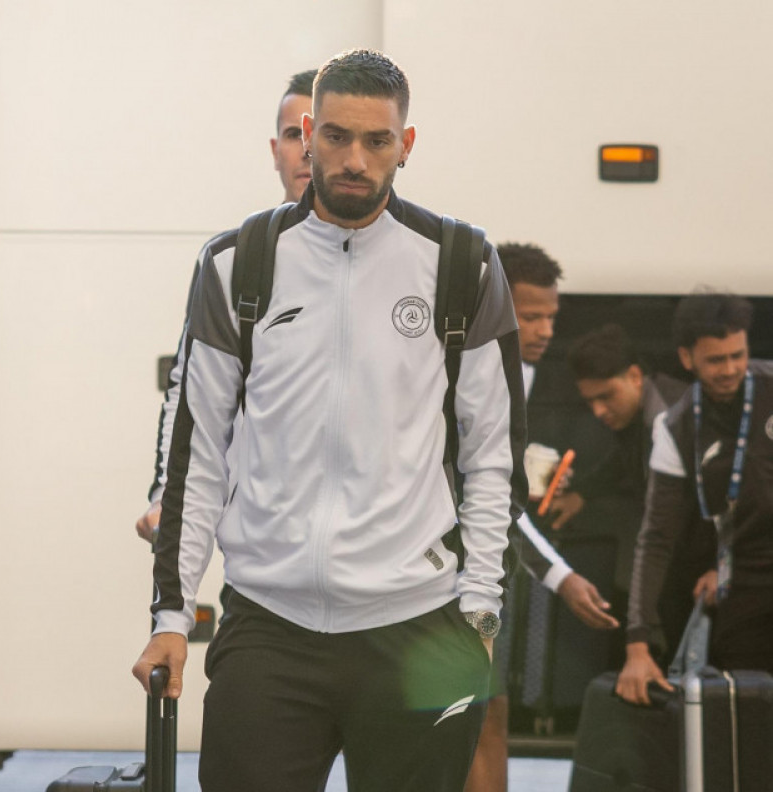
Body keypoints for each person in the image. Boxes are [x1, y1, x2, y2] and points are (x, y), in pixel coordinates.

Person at [131, 50, 526, 791]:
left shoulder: (460, 264)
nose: (354, 159)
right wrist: (171, 617)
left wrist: (479, 611)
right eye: (337, 136)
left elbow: (493, 455)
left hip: (420, 628)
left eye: (377, 141)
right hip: (269, 626)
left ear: (406, 145)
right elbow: (197, 455)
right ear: (307, 134)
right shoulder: (237, 263)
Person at [136, 68, 317, 543]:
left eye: (322, 133)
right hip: (262, 547)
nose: (307, 149)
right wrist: (169, 495)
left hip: (380, 555)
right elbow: (191, 393)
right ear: (275, 151)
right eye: (293, 135)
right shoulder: (237, 261)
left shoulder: (405, 259)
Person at [464, 246, 620, 792]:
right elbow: (483, 499)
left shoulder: (521, 377)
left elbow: (501, 495)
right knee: (455, 720)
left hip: (483, 582)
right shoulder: (458, 375)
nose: (546, 330)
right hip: (432, 581)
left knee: (490, 714)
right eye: (531, 316)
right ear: (496, 305)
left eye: (551, 316)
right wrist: (561, 577)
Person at [617, 293, 773, 705]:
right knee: (746, 710)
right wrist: (637, 643)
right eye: (716, 360)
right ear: (687, 358)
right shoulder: (676, 427)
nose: (730, 369)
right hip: (741, 583)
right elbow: (656, 538)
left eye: (738, 355)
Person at [557, 324, 698, 659]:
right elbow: (621, 460)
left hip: (698, 560)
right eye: (591, 401)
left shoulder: (671, 419)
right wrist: (581, 493)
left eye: (606, 396)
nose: (598, 411)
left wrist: (717, 565)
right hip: (672, 555)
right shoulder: (635, 414)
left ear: (635, 376)